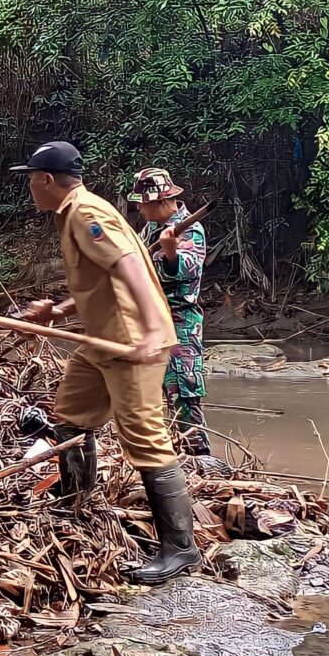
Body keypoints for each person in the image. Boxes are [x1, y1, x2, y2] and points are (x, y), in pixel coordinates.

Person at [13, 141, 199, 585]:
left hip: (131, 345)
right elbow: (103, 282)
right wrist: (58, 313)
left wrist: (153, 329)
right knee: (70, 417)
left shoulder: (85, 213)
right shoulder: (75, 211)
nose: (30, 188)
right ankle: (74, 501)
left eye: (31, 179)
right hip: (101, 342)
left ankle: (180, 548)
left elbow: (130, 265)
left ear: (45, 180)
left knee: (147, 440)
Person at [129, 167, 211, 464]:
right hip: (150, 320)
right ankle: (167, 452)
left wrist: (171, 253)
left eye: (142, 201)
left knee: (184, 392)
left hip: (179, 321)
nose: (138, 207)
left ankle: (198, 458)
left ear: (161, 201)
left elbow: (186, 270)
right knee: (151, 389)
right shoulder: (150, 228)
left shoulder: (190, 229)